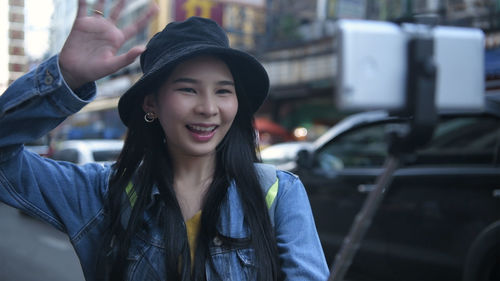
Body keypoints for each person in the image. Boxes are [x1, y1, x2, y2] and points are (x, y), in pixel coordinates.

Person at [0, 0, 329, 280]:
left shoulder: (279, 194)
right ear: (151, 104)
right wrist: (66, 79)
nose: (208, 108)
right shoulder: (102, 193)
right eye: (188, 89)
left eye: (223, 91)